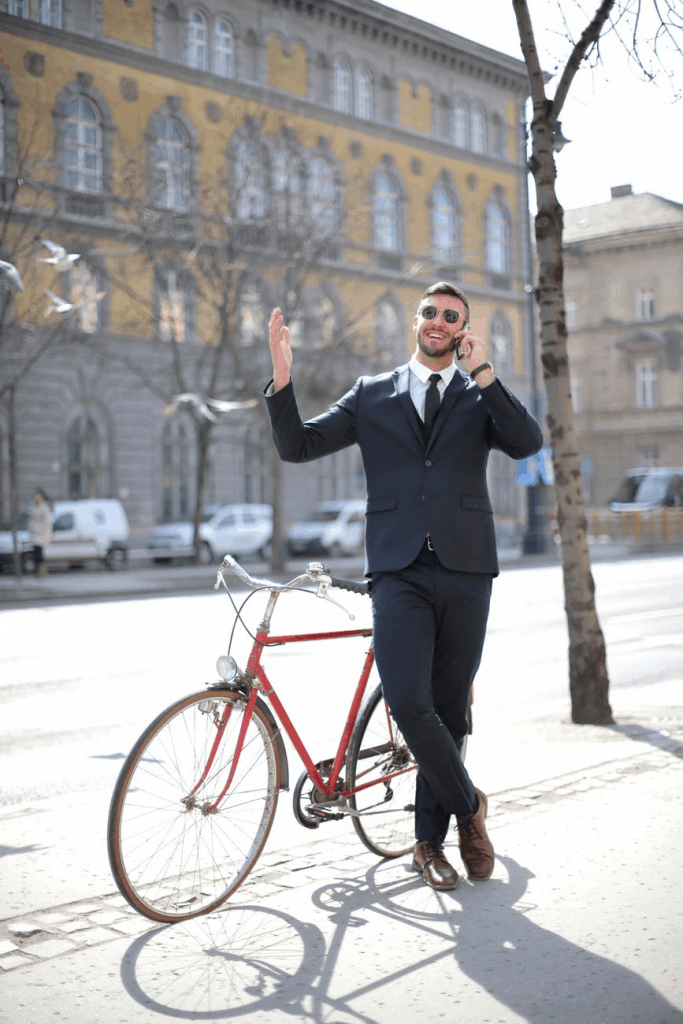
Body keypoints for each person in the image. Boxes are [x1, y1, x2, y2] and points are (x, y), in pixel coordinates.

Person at [264, 282, 543, 891]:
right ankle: (471, 809)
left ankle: (428, 845)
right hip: (398, 568)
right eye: (430, 312)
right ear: (414, 322)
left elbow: (527, 443)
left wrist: (486, 373)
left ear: (463, 330)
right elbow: (297, 445)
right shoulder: (372, 394)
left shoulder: (478, 396)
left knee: (450, 711)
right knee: (408, 703)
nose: (439, 321)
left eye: (452, 316)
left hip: (468, 569)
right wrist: (283, 379)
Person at [28, 489, 52, 579]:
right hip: (34, 534)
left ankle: (42, 572)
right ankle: (38, 571)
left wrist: (41, 530)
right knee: (35, 554)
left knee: (39, 553)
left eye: (38, 496)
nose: (36, 498)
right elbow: (31, 519)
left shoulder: (44, 507)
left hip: (42, 534)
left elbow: (47, 521)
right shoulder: (34, 506)